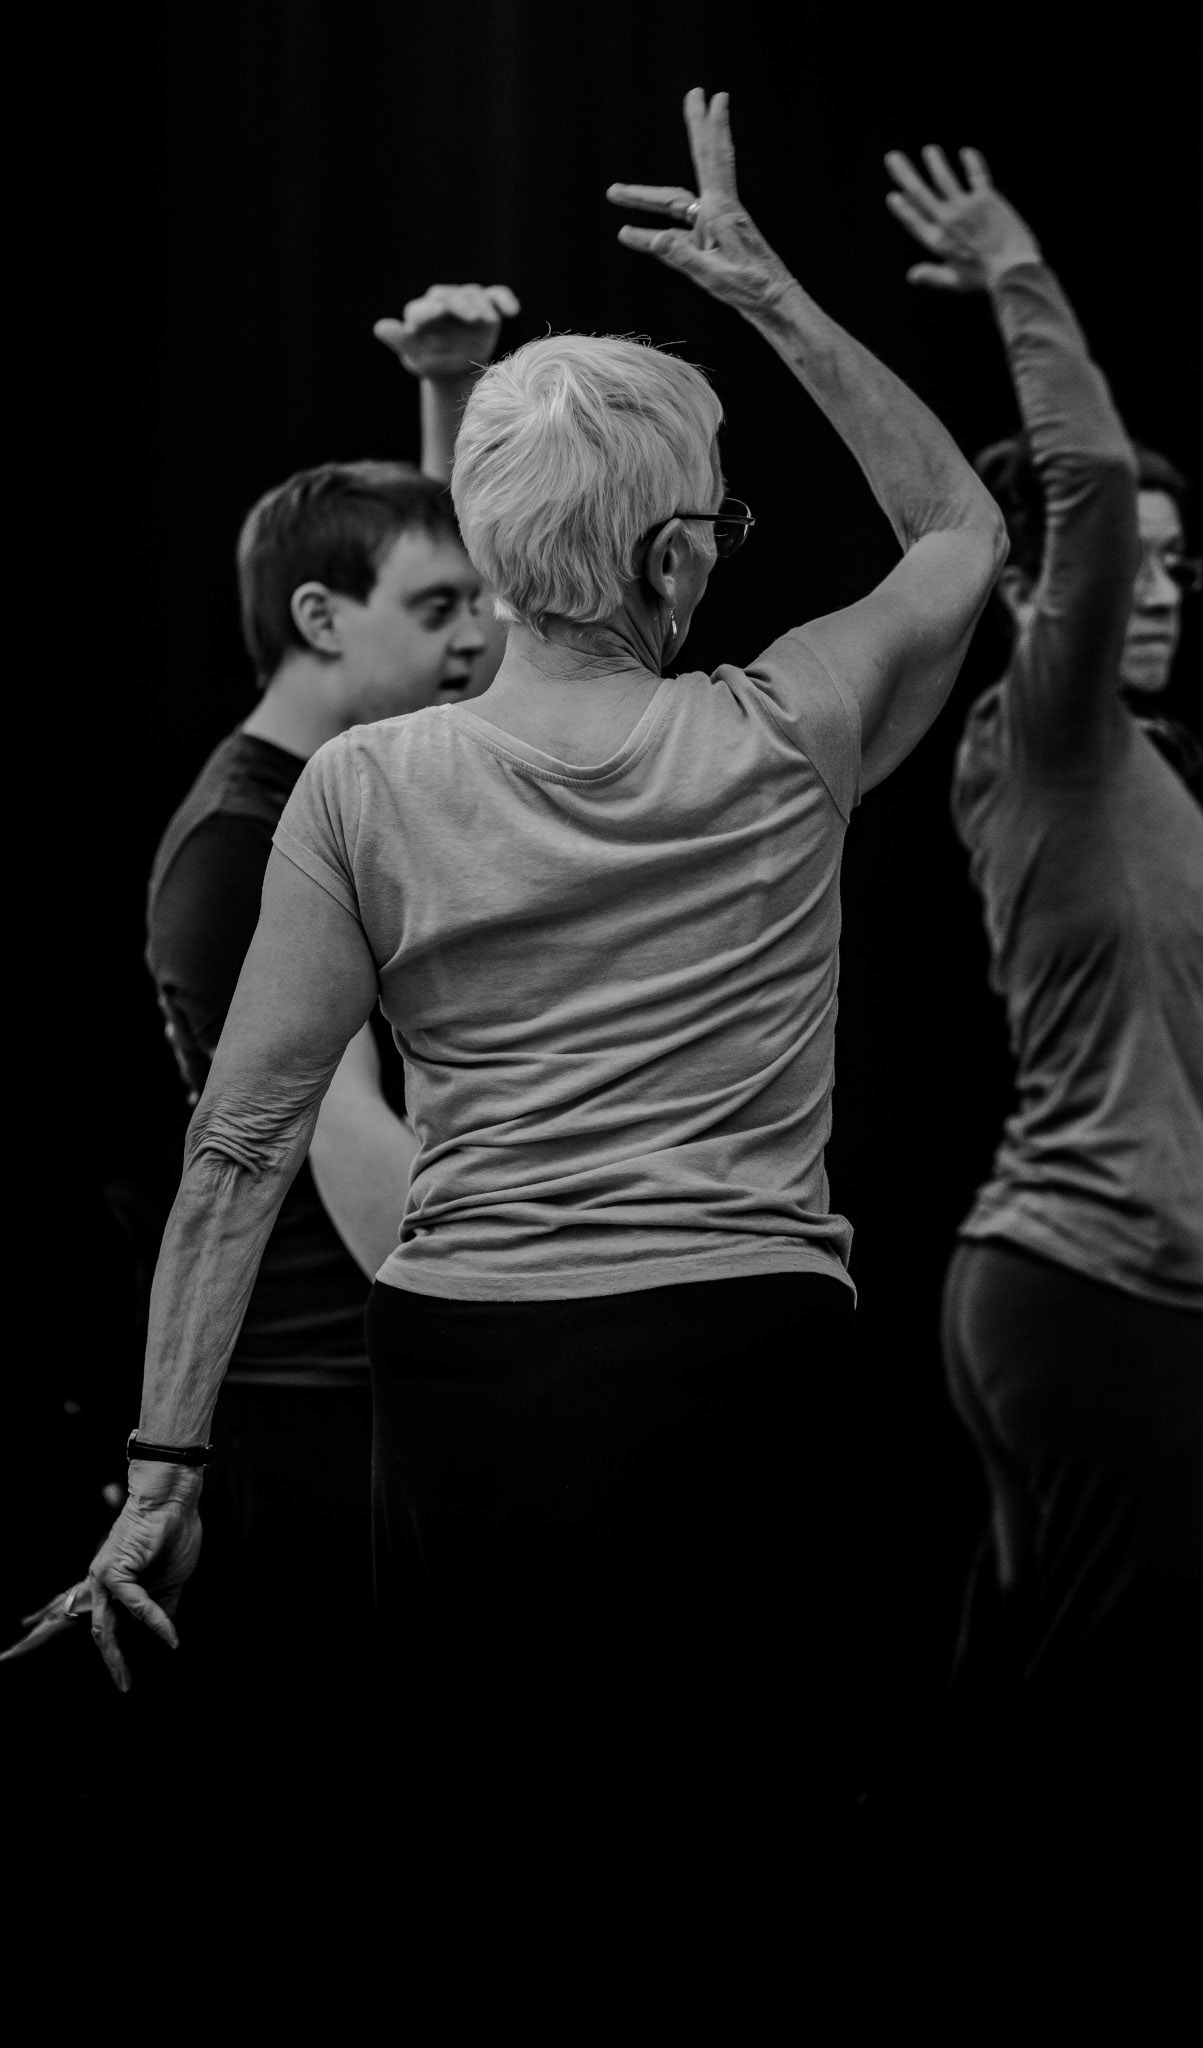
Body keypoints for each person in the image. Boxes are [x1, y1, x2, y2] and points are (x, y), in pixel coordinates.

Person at [16, 90, 1006, 1834]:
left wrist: (163, 1469)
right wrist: (770, 294)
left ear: (488, 548)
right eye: (713, 528)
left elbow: (238, 1145)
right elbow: (960, 533)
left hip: (468, 1377)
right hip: (740, 1355)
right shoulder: (787, 732)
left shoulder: (361, 788)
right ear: (673, 556)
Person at [59, 284, 517, 1802]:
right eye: (437, 614)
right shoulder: (250, 849)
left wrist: (451, 397)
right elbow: (376, 1199)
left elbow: (467, 653)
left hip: (366, 1402)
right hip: (322, 1421)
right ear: (321, 621)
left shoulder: (348, 792)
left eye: (474, 605)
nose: (479, 638)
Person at [883, 147, 1203, 1775]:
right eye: (1134, 561)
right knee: (1104, 1740)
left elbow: (1184, 1087)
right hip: (1090, 1294)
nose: (1159, 586)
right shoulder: (1045, 736)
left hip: (1131, 1296)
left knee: (1028, 1708)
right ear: (1030, 591)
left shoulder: (1136, 776)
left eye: (1182, 567)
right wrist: (1016, 272)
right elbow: (1095, 480)